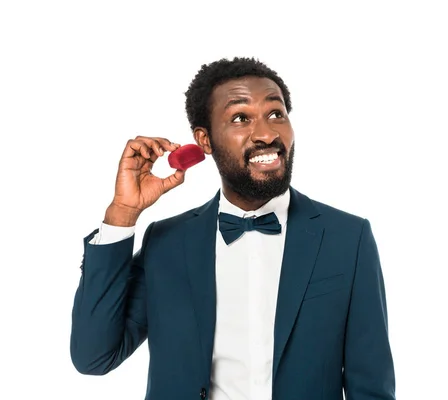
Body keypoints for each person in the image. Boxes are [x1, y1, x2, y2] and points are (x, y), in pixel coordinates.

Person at [70, 57, 395, 400]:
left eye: (276, 114)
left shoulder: (348, 239)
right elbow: (94, 356)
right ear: (204, 140)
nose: (267, 133)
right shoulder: (166, 243)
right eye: (241, 118)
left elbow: (371, 387)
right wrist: (122, 214)